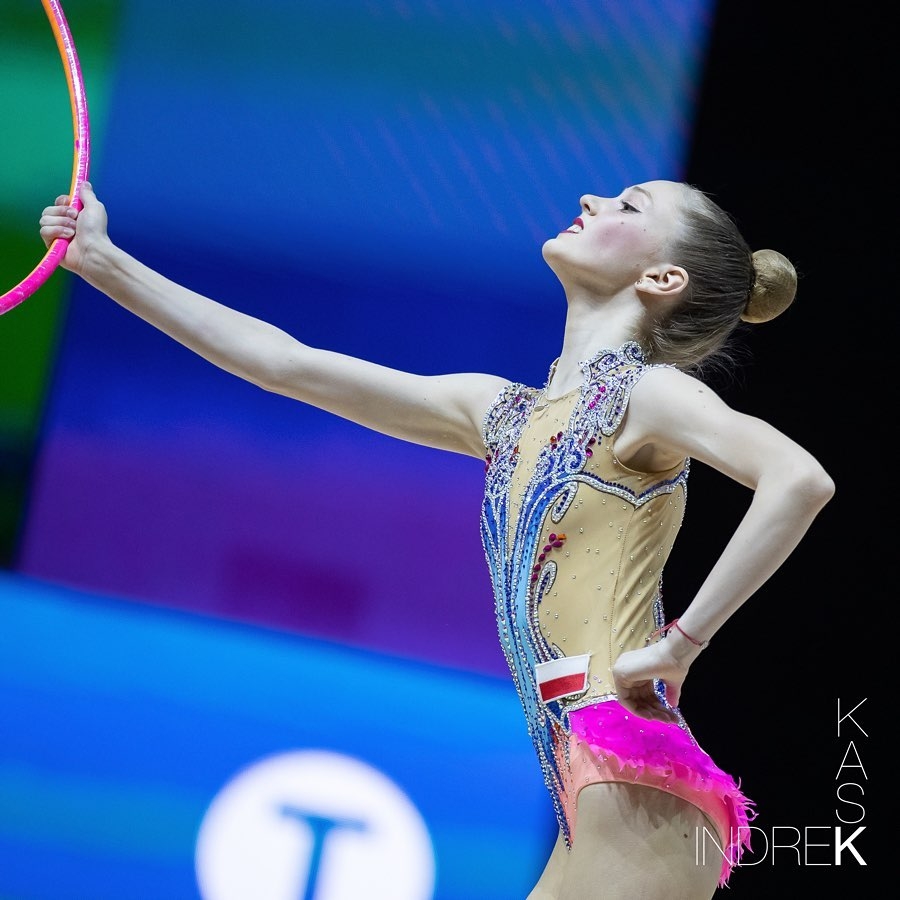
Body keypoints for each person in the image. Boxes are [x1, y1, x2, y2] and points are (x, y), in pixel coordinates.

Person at [39, 179, 834, 899]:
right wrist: (105, 264)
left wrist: (683, 644)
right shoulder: (500, 412)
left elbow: (798, 480)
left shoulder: (650, 394)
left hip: (633, 775)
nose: (592, 200)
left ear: (661, 279)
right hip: (588, 785)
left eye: (629, 205)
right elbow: (286, 363)